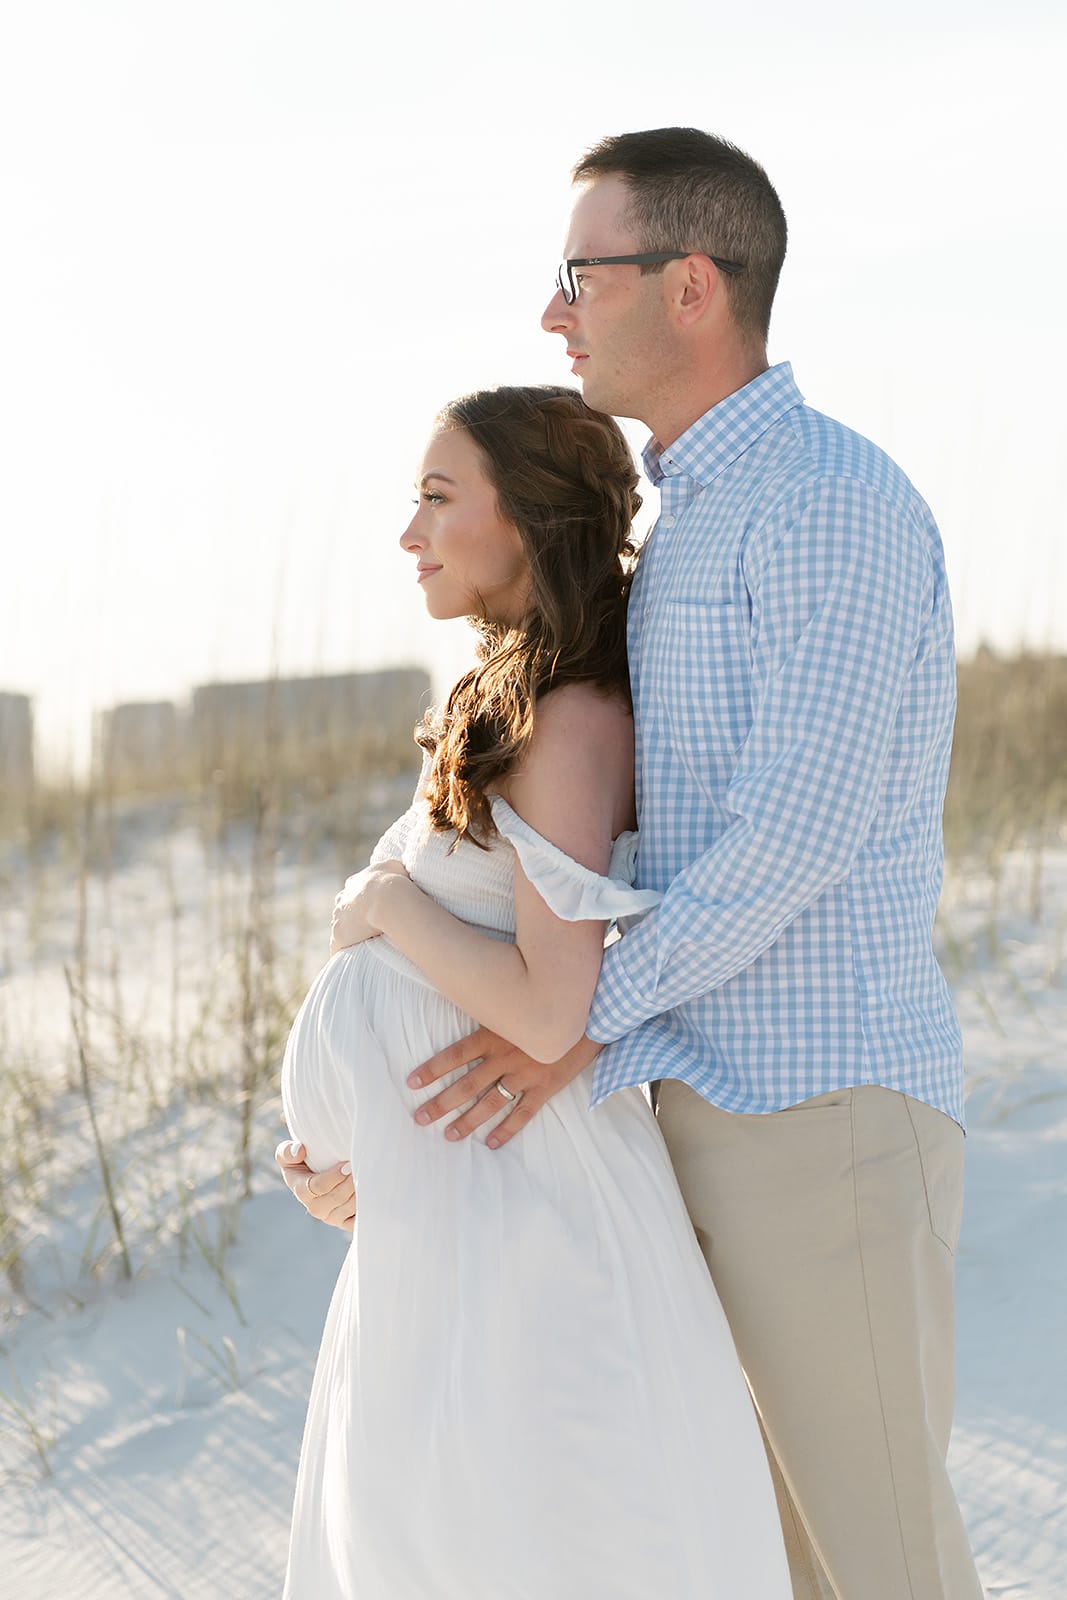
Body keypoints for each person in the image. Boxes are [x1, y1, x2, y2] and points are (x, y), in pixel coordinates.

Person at [280, 130, 986, 1600]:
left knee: (878, 1569)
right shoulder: (680, 533)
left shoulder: (822, 503)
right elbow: (630, 864)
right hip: (681, 1115)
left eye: (576, 277)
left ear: (687, 286)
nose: (553, 314)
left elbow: (793, 835)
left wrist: (575, 1018)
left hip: (819, 1112)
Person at [278, 382, 791, 1599]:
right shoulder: (522, 690)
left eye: (437, 499)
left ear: (526, 520)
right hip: (453, 1201)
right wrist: (348, 1151)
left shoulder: (569, 716)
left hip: (527, 1218)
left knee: (517, 1541)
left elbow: (550, 1003)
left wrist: (386, 909)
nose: (409, 533)